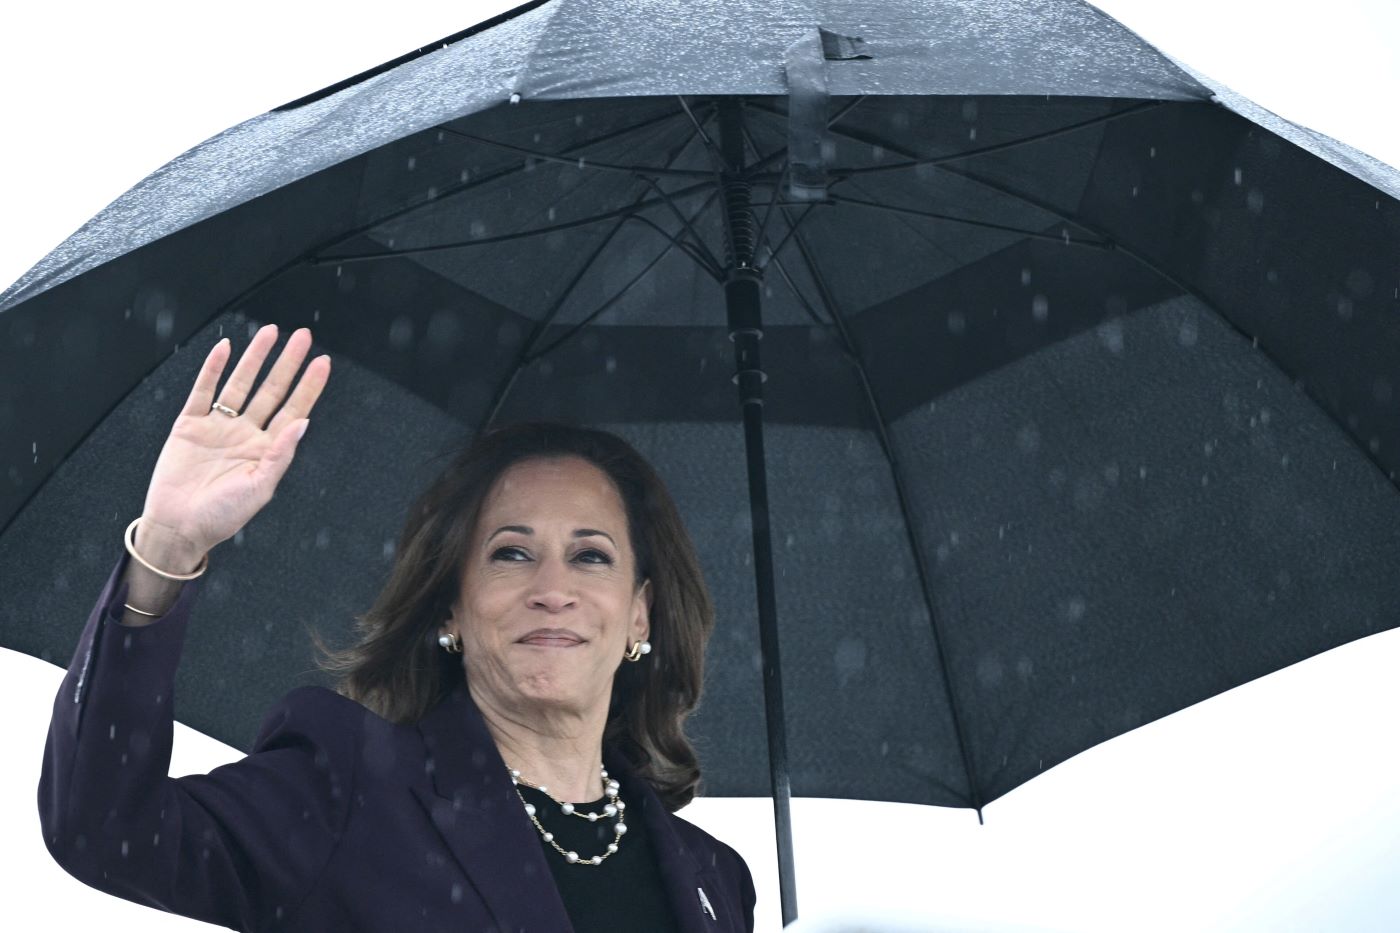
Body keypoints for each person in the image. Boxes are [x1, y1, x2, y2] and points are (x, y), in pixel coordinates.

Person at [38, 323, 756, 932]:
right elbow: (104, 826)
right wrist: (167, 548)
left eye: (590, 556)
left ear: (639, 613)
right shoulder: (345, 788)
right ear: (451, 608)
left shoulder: (717, 879)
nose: (552, 590)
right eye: (511, 553)